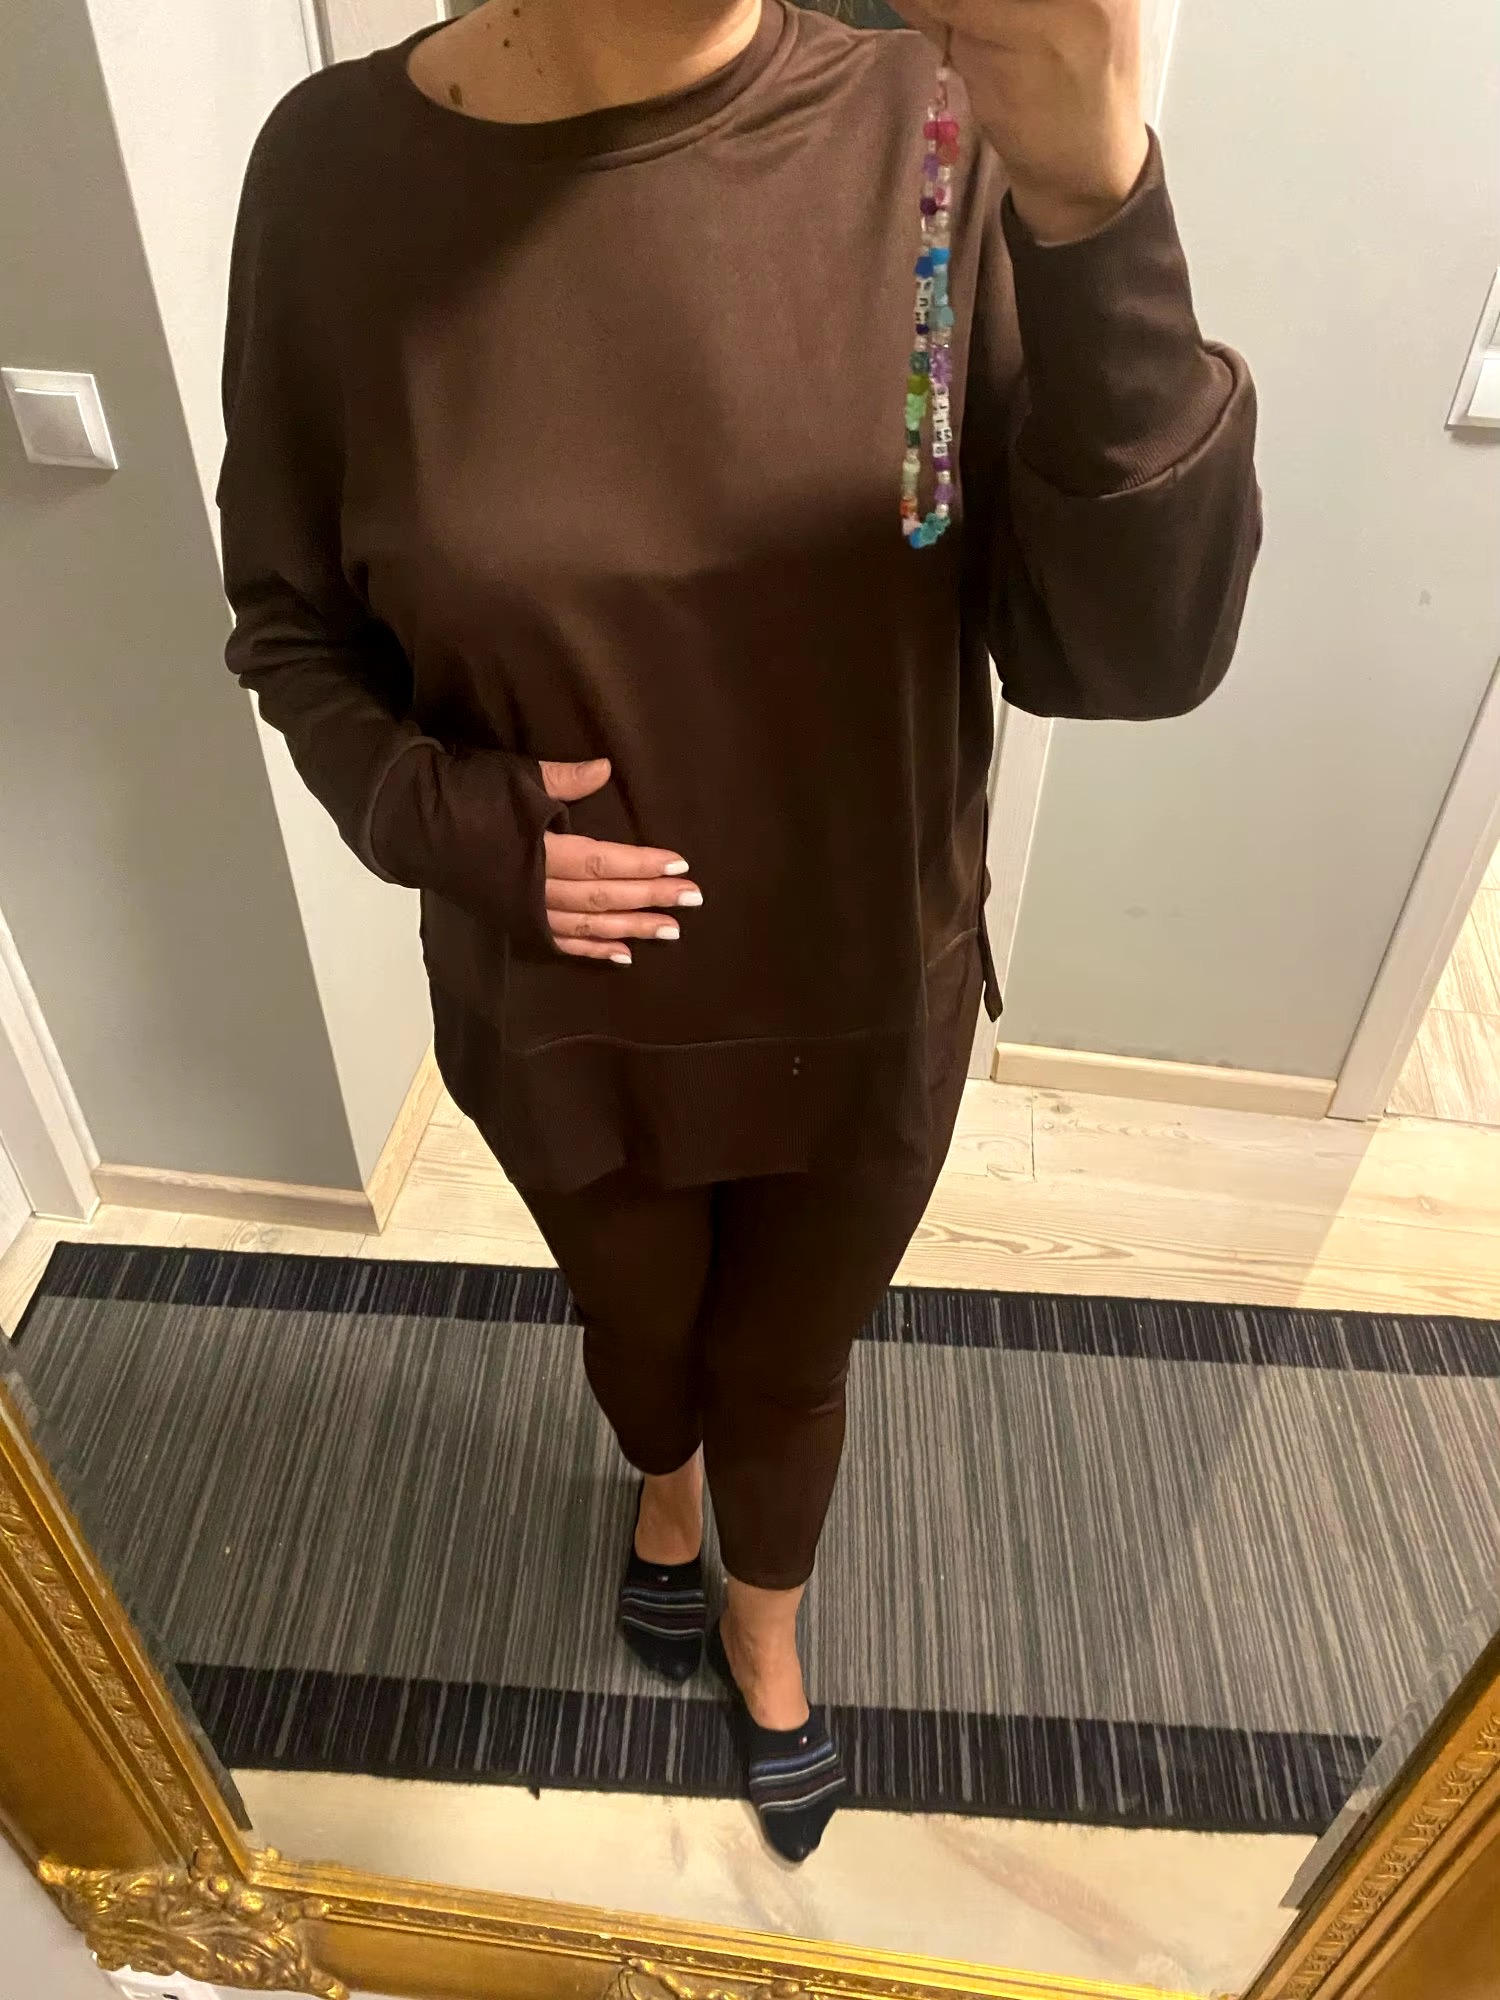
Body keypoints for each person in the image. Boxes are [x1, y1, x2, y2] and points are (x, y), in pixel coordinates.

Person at [218, 0, 1259, 1861]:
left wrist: (1099, 206)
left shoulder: (935, 137)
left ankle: (766, 1629)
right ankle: (663, 1490)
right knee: (640, 1341)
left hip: (864, 997)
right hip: (564, 1007)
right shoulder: (334, 178)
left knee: (789, 1362)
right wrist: (451, 821)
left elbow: (1127, 651)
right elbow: (291, 620)